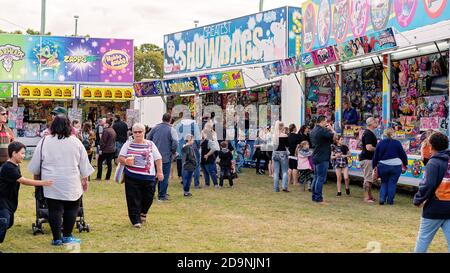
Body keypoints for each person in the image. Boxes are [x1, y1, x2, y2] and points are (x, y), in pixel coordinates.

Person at [28, 115, 94, 246]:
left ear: (53, 126)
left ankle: (57, 238)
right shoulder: (76, 142)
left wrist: (37, 182)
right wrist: (85, 180)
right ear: (69, 126)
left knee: (54, 210)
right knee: (71, 209)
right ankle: (67, 236)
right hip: (71, 181)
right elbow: (84, 164)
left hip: (50, 182)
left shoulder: (44, 141)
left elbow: (36, 165)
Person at [0, 142, 53, 245]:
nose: (24, 156)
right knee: (3, 222)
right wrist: (43, 183)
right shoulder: (8, 167)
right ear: (14, 153)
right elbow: (23, 181)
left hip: (9, 200)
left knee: (9, 223)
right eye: (22, 153)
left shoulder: (15, 165)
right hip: (2, 200)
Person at [119, 123, 163, 228]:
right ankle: (135, 220)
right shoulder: (128, 144)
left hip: (148, 177)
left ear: (144, 132)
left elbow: (158, 158)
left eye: (140, 132)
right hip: (132, 176)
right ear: (132, 133)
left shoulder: (150, 144)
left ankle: (143, 212)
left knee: (148, 197)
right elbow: (120, 158)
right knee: (132, 199)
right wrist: (125, 161)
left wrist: (160, 172)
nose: (138, 134)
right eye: (135, 132)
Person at [413, 132, 450, 252]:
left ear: (431, 146)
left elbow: (428, 185)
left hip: (435, 207)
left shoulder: (433, 163)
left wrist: (418, 199)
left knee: (423, 240)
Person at [372, 128, 408, 205]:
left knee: (384, 182)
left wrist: (374, 166)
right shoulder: (397, 143)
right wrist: (405, 164)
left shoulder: (380, 143)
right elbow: (403, 154)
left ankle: (382, 199)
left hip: (383, 165)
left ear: (385, 134)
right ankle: (390, 201)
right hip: (396, 166)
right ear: (392, 134)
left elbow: (375, 156)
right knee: (392, 183)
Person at [147, 113, 178, 201]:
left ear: (162, 119)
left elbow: (148, 139)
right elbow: (175, 143)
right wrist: (173, 151)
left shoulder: (155, 128)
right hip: (165, 157)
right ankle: (162, 195)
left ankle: (151, 194)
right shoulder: (172, 129)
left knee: (153, 176)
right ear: (170, 119)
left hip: (153, 156)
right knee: (164, 176)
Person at [310, 115, 335, 203]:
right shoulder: (322, 130)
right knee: (320, 178)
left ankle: (314, 196)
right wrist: (331, 129)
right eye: (326, 121)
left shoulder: (313, 130)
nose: (326, 123)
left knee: (316, 177)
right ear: (322, 121)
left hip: (316, 155)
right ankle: (318, 198)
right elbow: (335, 137)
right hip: (322, 156)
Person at [174, 114, 201, 189]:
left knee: (184, 164)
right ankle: (196, 184)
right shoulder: (194, 124)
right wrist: (198, 146)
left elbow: (176, 138)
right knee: (196, 164)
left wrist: (178, 149)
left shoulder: (179, 125)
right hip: (193, 145)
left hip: (183, 147)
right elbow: (198, 137)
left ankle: (184, 181)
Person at [359, 117, 379, 203]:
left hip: (368, 158)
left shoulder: (368, 133)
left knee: (369, 179)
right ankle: (366, 198)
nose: (377, 122)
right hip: (367, 159)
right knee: (368, 179)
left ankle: (370, 196)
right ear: (370, 123)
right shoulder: (368, 133)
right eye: (375, 121)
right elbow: (369, 147)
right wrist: (379, 149)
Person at [272, 121, 290, 192]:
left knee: (276, 172)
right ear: (282, 127)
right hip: (283, 153)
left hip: (275, 153)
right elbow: (287, 145)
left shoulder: (273, 136)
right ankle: (284, 187)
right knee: (284, 171)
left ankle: (276, 188)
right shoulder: (285, 135)